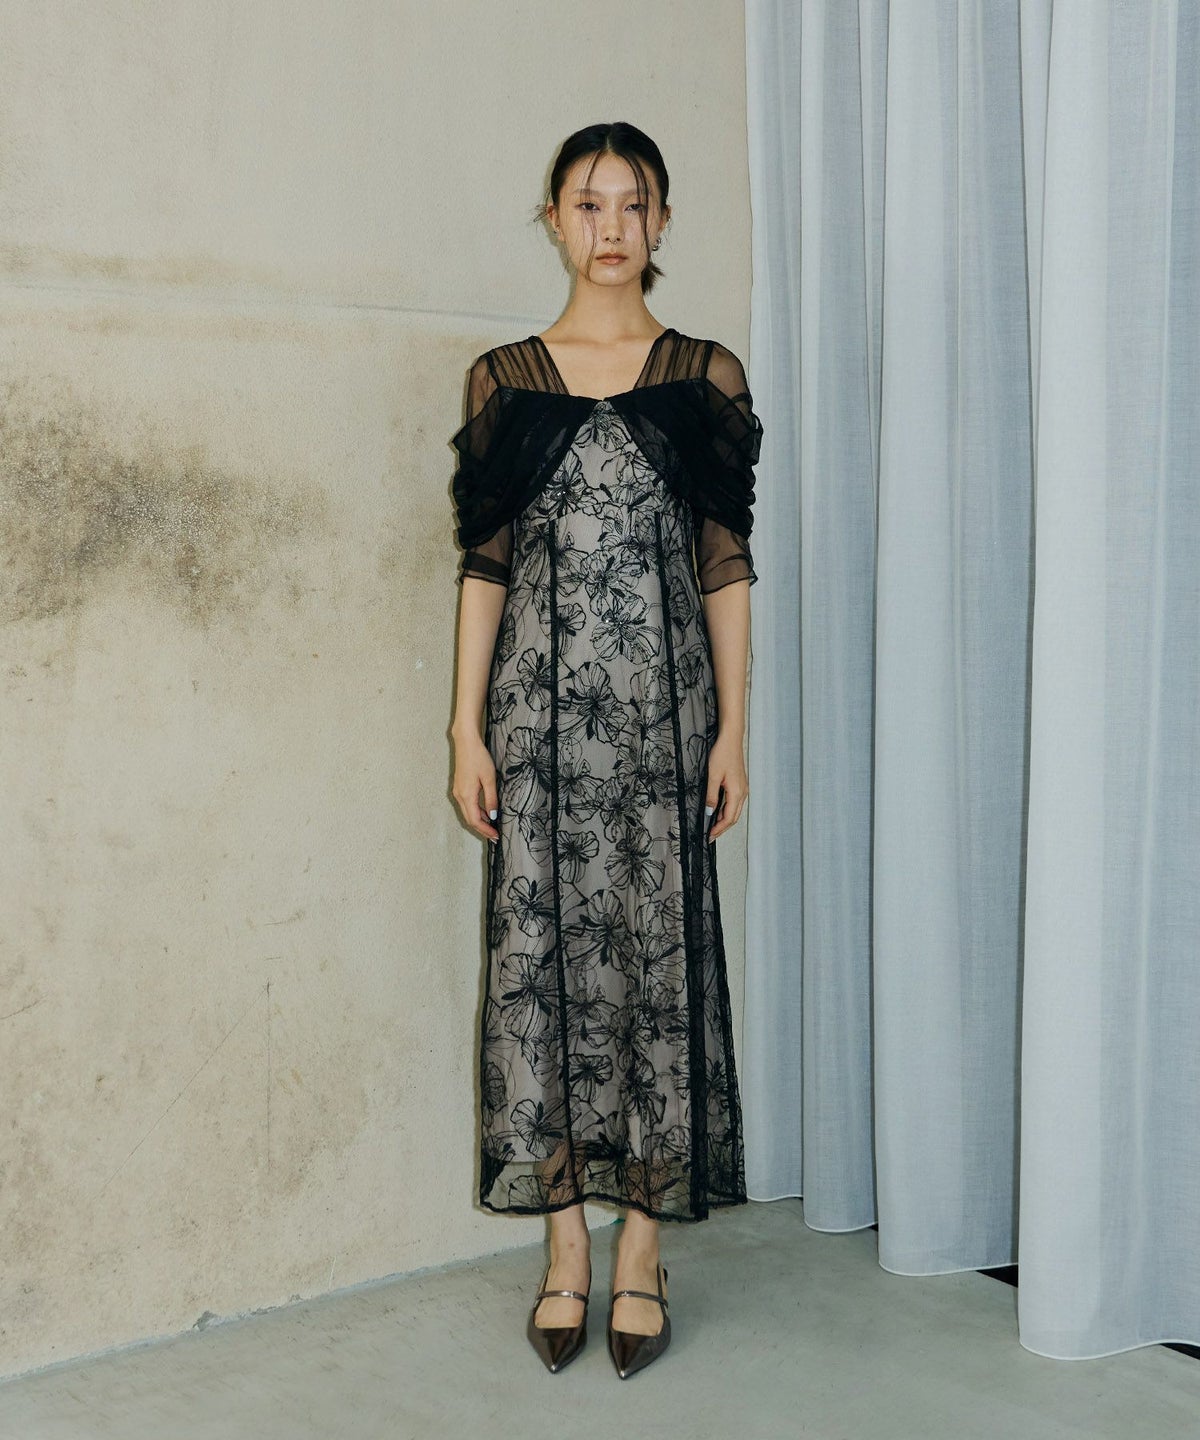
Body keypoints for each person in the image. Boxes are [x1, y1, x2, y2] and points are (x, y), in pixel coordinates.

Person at [449, 121, 762, 1380]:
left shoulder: (704, 376)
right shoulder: (505, 380)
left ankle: (642, 1248)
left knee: (656, 972)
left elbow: (725, 567)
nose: (612, 226)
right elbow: (485, 564)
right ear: (555, 219)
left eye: (634, 204)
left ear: (663, 222)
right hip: (535, 734)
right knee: (542, 972)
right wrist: (464, 727)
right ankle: (564, 1246)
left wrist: (734, 726)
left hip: (664, 730)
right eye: (589, 203)